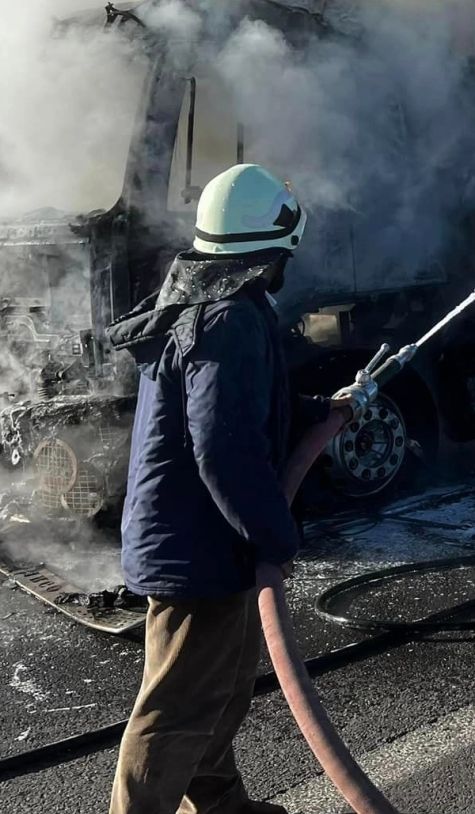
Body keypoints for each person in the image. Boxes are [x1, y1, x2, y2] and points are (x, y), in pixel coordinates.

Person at [105, 163, 328, 814]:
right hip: (194, 550)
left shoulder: (210, 297)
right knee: (175, 710)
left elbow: (235, 409)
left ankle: (223, 810)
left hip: (204, 542)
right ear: (272, 245)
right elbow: (222, 448)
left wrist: (319, 409)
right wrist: (275, 536)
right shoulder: (226, 317)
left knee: (221, 691)